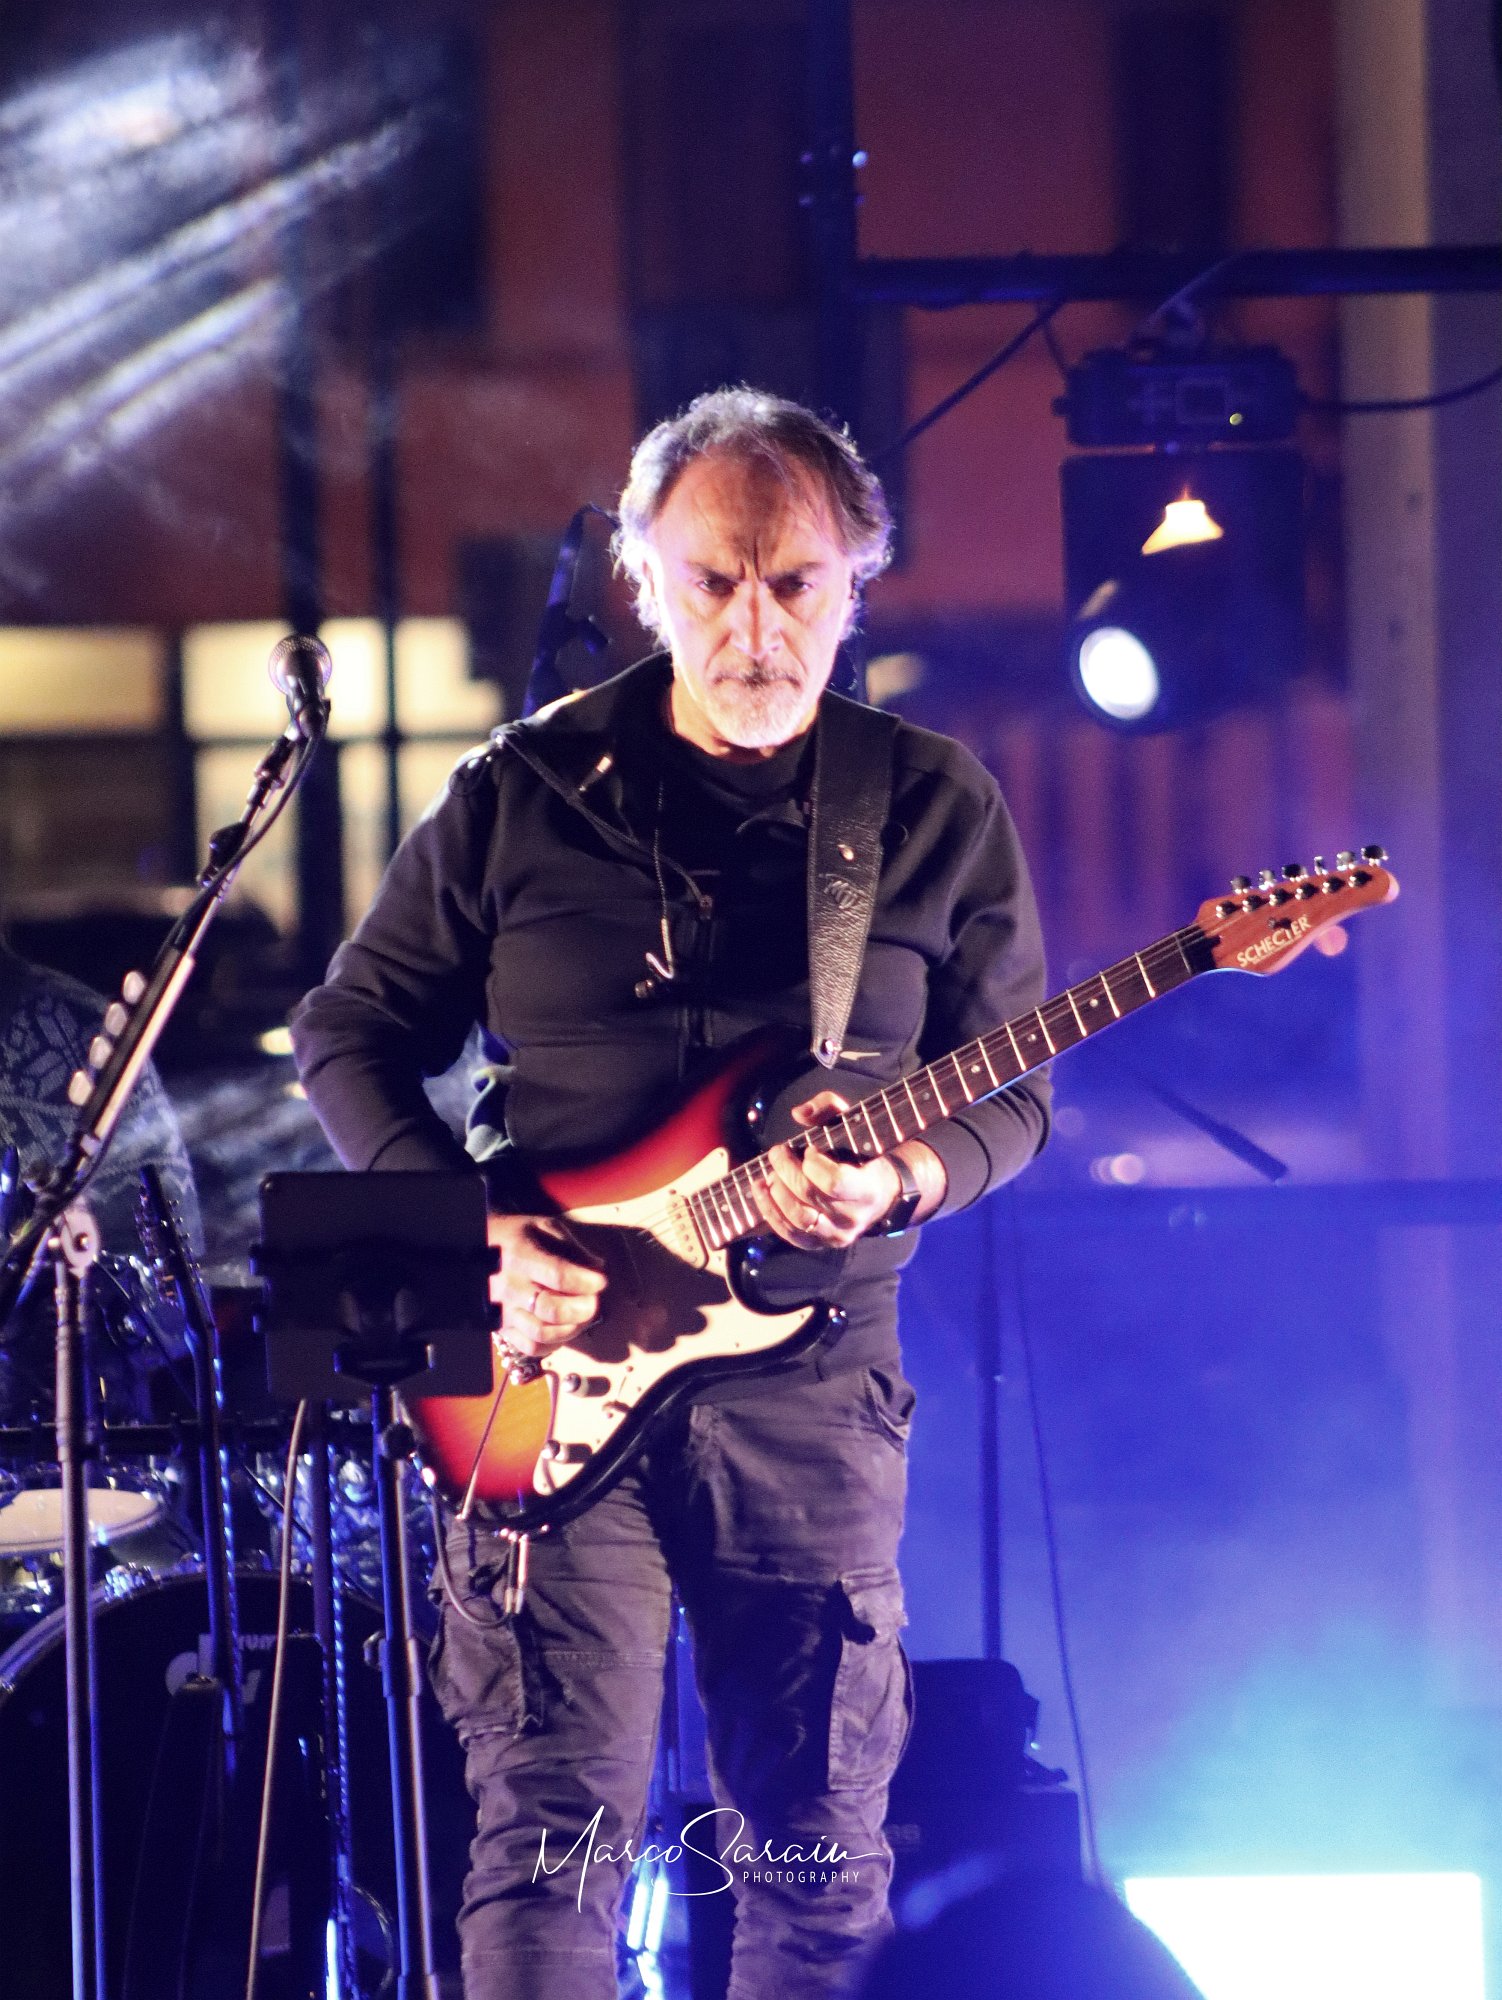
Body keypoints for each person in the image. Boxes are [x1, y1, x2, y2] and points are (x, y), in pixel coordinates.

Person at [291, 387, 1050, 2000]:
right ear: (641, 578)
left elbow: (1014, 1095)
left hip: (813, 1398)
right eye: (713, 582)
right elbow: (348, 1033)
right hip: (544, 1379)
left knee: (816, 1856)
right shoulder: (522, 790)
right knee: (551, 1848)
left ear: (858, 579)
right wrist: (470, 1233)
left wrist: (910, 1174)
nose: (755, 628)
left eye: (795, 584)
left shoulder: (929, 804)